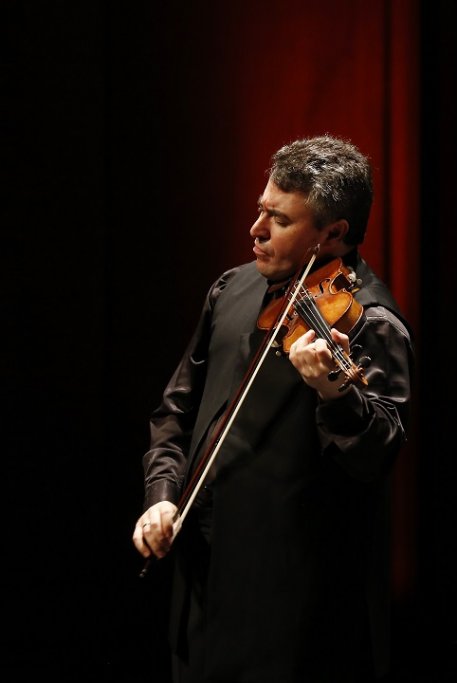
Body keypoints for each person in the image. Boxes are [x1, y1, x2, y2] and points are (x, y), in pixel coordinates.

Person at [132, 135, 414, 682]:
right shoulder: (231, 289)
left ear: (333, 235)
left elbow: (378, 455)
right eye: (261, 210)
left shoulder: (371, 323)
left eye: (279, 221)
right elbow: (176, 411)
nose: (256, 231)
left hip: (290, 617)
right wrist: (161, 497)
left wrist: (337, 393)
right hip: (200, 591)